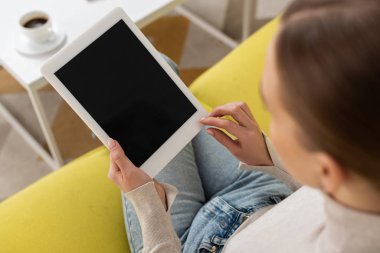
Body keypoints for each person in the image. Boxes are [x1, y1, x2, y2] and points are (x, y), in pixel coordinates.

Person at [107, 0, 380, 252]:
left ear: (326, 169)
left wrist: (147, 204)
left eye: (274, 112)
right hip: (268, 190)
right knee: (156, 72)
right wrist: (266, 158)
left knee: (130, 92)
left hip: (190, 240)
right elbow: (315, 195)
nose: (267, 123)